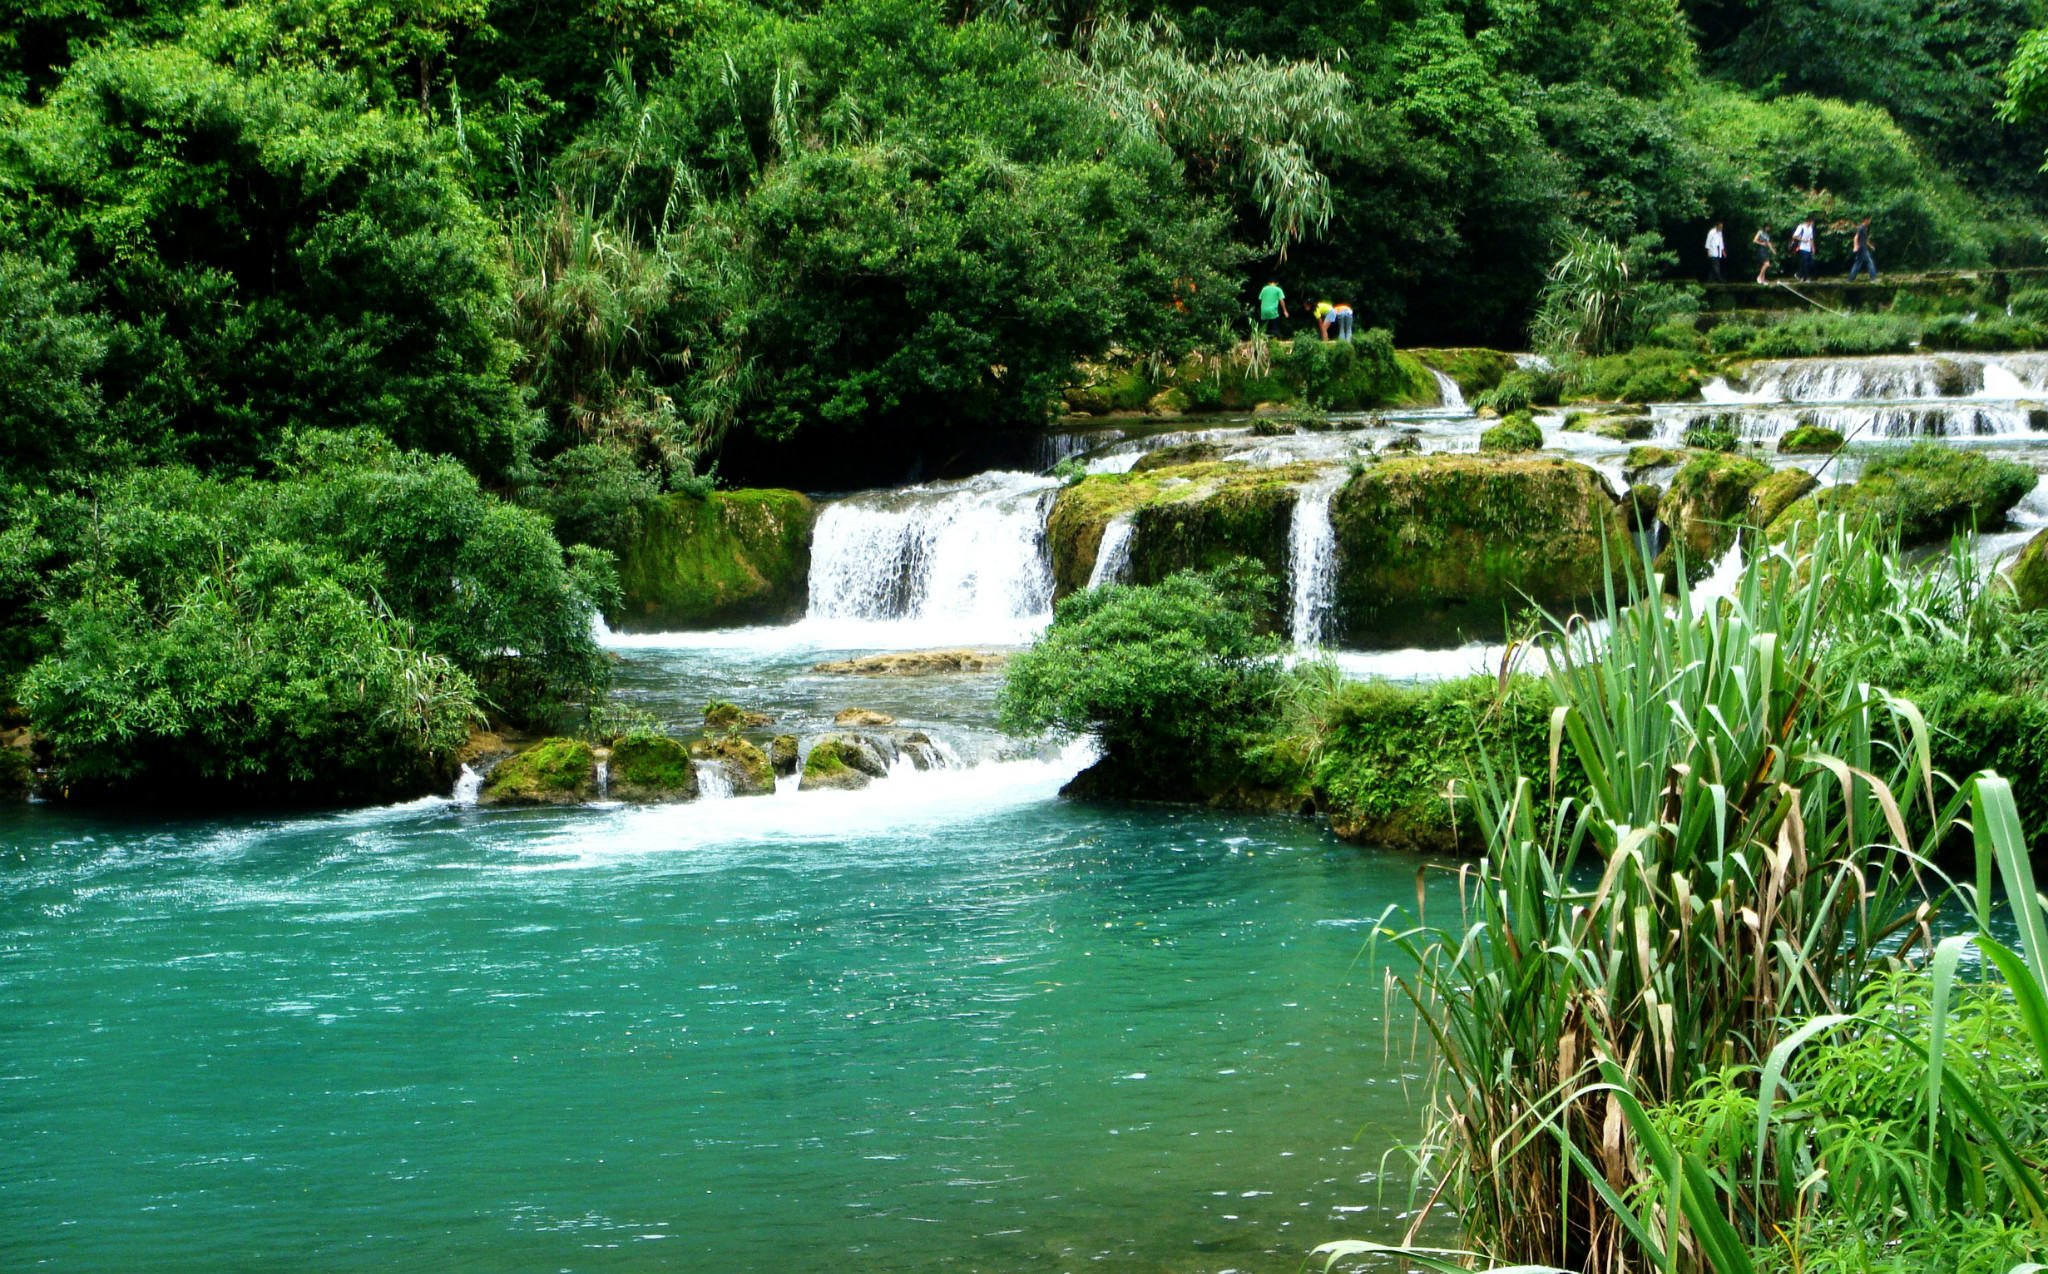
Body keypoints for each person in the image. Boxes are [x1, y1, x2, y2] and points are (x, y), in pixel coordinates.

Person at [1848, 216, 1877, 282]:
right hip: (1862, 248)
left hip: (1863, 247)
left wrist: (1870, 246)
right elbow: (1855, 237)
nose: (1870, 222)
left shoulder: (1865, 228)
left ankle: (1851, 278)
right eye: (1869, 220)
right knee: (1870, 262)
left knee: (1858, 263)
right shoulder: (1861, 228)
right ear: (1866, 220)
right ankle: (1873, 277)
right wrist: (1855, 246)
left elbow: (1864, 240)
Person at [1792, 216, 1816, 281]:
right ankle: (1805, 277)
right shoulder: (1801, 227)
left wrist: (1813, 248)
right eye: (1812, 222)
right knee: (1805, 262)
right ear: (1809, 221)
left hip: (1808, 247)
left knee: (1810, 263)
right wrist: (1802, 239)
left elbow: (1811, 238)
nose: (1812, 224)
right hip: (1802, 247)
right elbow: (1794, 236)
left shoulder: (1810, 228)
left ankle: (1799, 274)